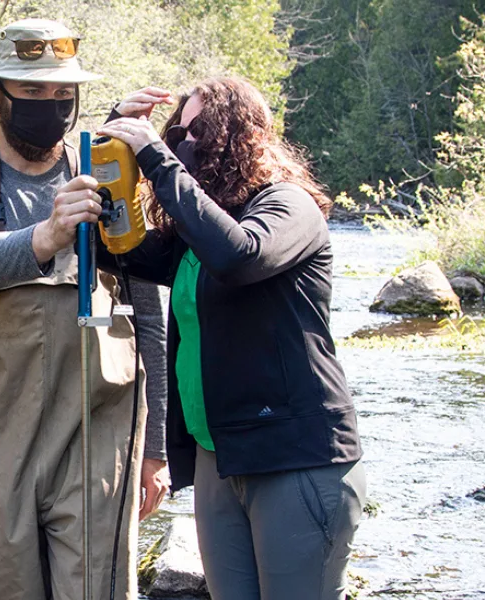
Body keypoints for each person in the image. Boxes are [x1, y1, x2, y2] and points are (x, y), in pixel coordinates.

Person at [0, 19, 170, 600]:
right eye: (31, 92)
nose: (49, 106)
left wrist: (154, 449)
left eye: (62, 95)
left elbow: (149, 317)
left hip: (99, 439)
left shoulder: (108, 178)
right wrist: (51, 233)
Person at [94, 76, 366, 600]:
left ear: (236, 139)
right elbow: (118, 248)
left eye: (197, 132)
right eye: (176, 135)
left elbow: (240, 257)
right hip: (218, 457)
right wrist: (115, 140)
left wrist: (156, 155)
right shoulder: (195, 236)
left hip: (296, 458)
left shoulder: (288, 207)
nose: (182, 145)